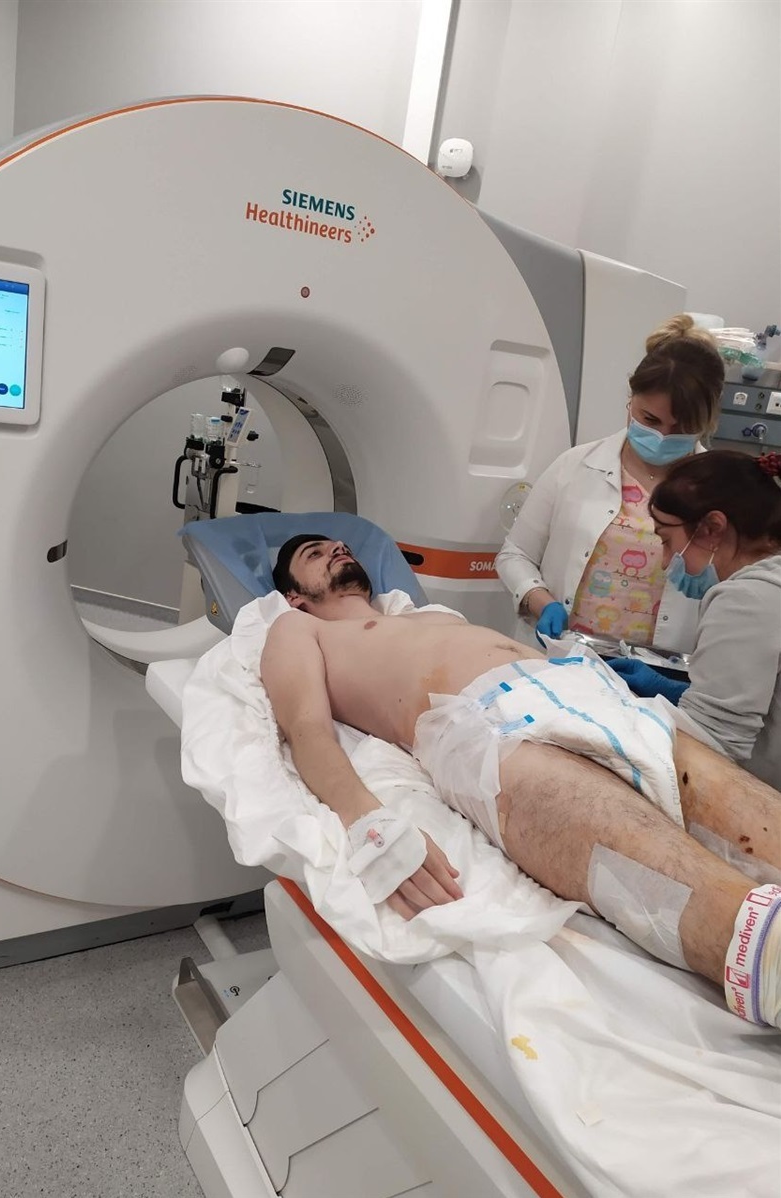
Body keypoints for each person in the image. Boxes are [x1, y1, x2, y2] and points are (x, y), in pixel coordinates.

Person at [260, 533, 781, 1029]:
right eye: (315, 551)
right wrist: (368, 822)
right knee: (723, 911)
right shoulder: (298, 629)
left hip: (591, 696)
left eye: (339, 544)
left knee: (760, 823)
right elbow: (305, 728)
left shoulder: (429, 614)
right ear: (293, 595)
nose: (336, 548)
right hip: (481, 727)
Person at [495, 315, 725, 652]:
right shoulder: (574, 466)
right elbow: (515, 554)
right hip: (562, 658)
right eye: (650, 420)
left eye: (681, 427)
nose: (662, 437)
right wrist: (540, 601)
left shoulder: (723, 492)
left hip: (659, 678)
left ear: (707, 421)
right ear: (631, 400)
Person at [608, 450, 781, 789]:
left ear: (712, 529)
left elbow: (716, 749)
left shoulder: (747, 598)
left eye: (667, 542)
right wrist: (681, 694)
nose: (665, 562)